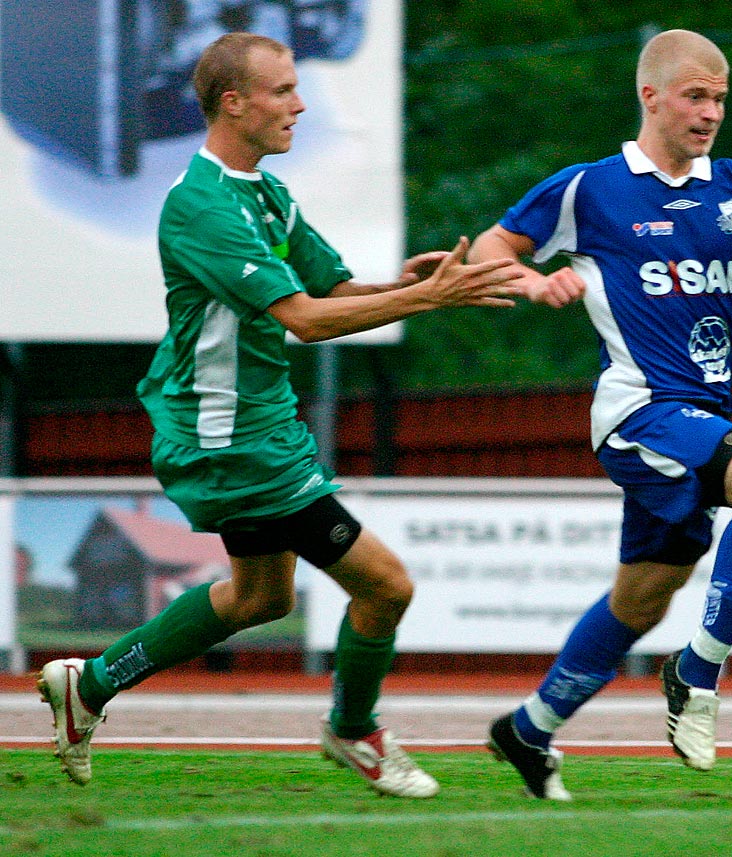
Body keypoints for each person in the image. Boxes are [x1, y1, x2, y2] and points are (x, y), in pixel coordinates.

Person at [35, 32, 576, 798]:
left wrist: (406, 279)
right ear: (234, 103)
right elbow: (307, 322)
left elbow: (332, 293)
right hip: (232, 438)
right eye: (283, 90)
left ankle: (88, 684)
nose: (299, 102)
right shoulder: (200, 206)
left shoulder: (265, 193)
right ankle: (354, 730)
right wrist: (428, 298)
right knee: (385, 585)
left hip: (261, 426)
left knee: (261, 597)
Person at [470, 28, 732, 800]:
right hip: (640, 414)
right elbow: (492, 247)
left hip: (700, 415)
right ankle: (698, 673)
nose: (711, 112)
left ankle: (528, 727)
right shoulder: (591, 190)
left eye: (720, 99)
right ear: (649, 96)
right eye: (696, 95)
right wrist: (530, 283)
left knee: (640, 598)